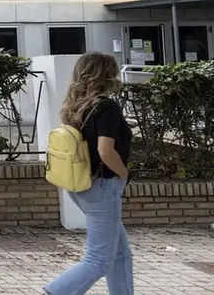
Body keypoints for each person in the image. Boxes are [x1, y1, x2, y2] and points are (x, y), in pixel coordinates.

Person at [44, 52, 133, 295]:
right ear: (107, 75)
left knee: (120, 253)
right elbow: (105, 150)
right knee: (99, 261)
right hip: (103, 186)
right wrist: (123, 173)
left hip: (81, 185)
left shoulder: (76, 105)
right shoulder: (106, 108)